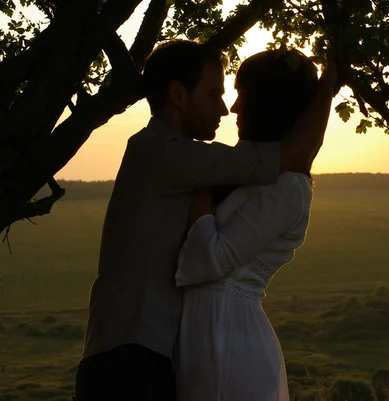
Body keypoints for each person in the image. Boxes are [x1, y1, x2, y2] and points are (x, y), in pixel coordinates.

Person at [74, 40, 337, 401]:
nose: (227, 108)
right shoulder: (168, 154)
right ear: (178, 95)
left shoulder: (175, 156)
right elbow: (290, 155)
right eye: (214, 93)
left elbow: (287, 163)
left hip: (152, 353)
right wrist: (326, 89)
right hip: (131, 356)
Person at [175, 48, 333, 400]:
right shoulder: (250, 174)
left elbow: (212, 259)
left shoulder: (288, 187)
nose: (233, 108)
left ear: (267, 104)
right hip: (204, 334)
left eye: (242, 96)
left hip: (229, 338)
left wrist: (198, 183)